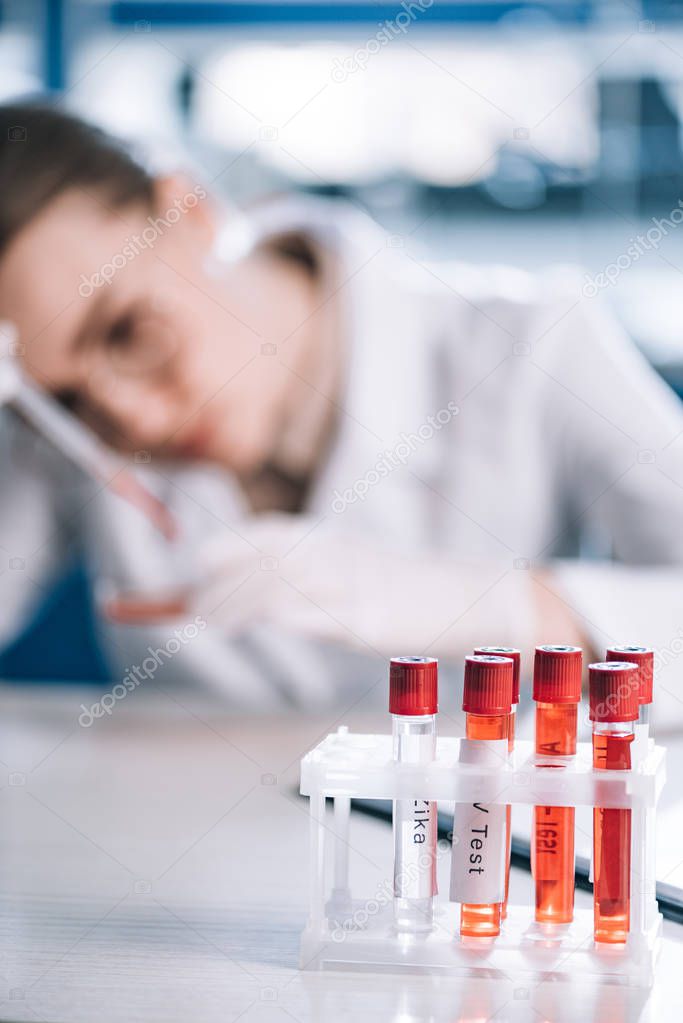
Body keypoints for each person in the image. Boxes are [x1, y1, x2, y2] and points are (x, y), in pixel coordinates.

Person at [1, 102, 683, 719]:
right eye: (64, 401)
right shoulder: (64, 443)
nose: (136, 424)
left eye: (126, 331)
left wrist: (487, 607)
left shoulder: (533, 344)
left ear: (190, 211)